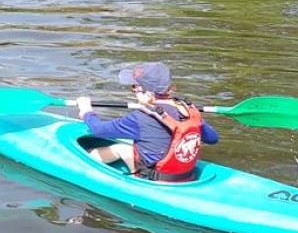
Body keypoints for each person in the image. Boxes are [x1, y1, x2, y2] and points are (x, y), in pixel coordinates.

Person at [75, 62, 219, 182]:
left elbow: (98, 130)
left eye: (134, 88)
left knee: (118, 148)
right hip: (185, 176)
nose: (133, 91)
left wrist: (87, 111)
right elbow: (213, 139)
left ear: (147, 93)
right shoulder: (190, 111)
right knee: (126, 148)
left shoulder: (140, 118)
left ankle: (78, 160)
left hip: (154, 180)